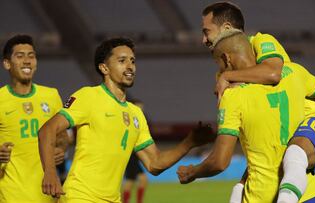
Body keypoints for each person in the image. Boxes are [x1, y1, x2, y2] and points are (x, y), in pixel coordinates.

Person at [38, 37, 214, 203]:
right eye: (122, 61)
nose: (130, 66)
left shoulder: (135, 113)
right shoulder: (89, 96)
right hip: (80, 196)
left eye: (132, 61)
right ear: (104, 68)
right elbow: (47, 130)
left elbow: (154, 163)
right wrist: (50, 172)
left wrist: (189, 142)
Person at [201, 2, 315, 203]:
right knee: (241, 189)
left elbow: (273, 73)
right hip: (276, 137)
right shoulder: (223, 73)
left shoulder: (261, 41)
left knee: (294, 155)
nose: (203, 39)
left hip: (311, 123)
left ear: (227, 28)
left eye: (207, 31)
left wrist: (298, 112)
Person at [0, 34, 68, 203]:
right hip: (12, 194)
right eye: (20, 56)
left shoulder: (51, 96)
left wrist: (60, 150)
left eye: (31, 56)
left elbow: (63, 138)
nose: (27, 61)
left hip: (47, 193)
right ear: (7, 63)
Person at [123, 100, 148, 203]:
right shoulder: (128, 120)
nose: (141, 110)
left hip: (134, 154)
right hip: (130, 154)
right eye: (139, 108)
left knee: (132, 180)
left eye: (141, 108)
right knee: (139, 179)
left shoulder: (137, 120)